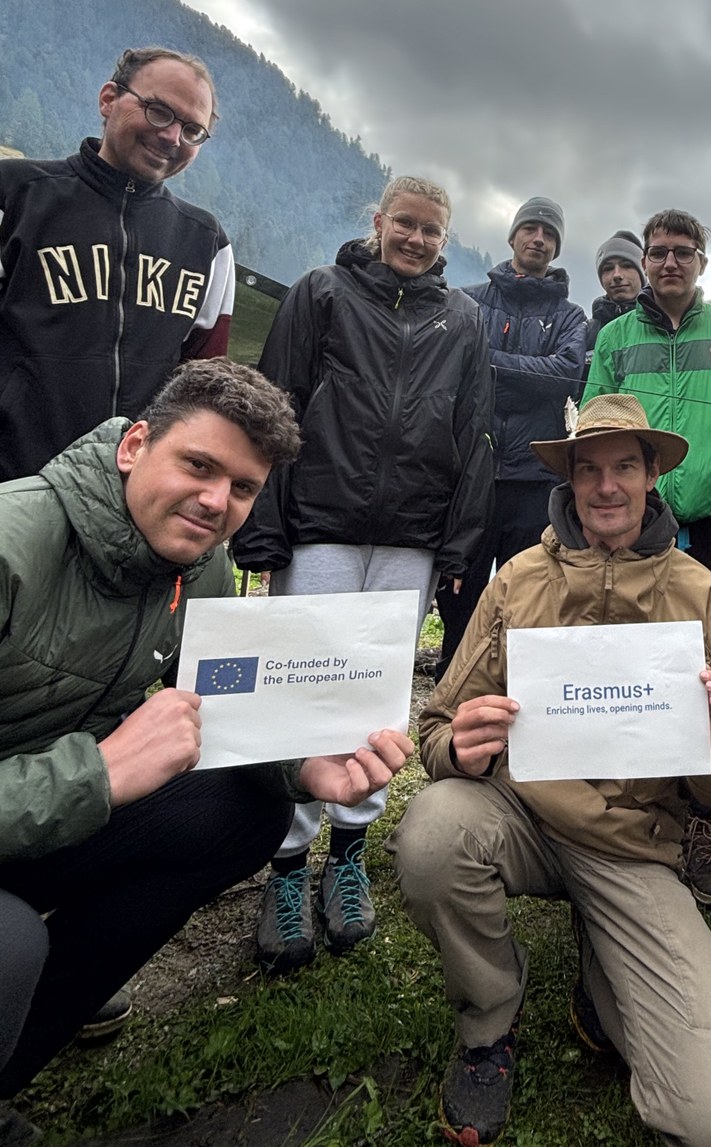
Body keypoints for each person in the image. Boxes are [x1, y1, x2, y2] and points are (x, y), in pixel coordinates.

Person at [0, 359, 412, 1104]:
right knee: (9, 943)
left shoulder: (201, 563)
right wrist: (98, 772)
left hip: (42, 816)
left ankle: (13, 1063)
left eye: (244, 487)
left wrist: (304, 768)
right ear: (133, 446)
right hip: (38, 804)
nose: (216, 501)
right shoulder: (10, 541)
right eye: (198, 464)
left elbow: (226, 705)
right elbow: (100, 771)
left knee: (244, 814)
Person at [387, 394, 711, 1147]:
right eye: (588, 469)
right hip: (520, 818)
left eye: (626, 466)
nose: (606, 487)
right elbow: (435, 728)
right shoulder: (517, 580)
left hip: (635, 847)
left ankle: (604, 970)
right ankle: (490, 1021)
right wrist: (459, 748)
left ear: (652, 474)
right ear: (568, 480)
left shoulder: (696, 591)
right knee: (431, 837)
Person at [231, 176, 493, 973]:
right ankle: (284, 864)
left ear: (446, 239)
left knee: (375, 696)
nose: (416, 239)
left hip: (413, 534)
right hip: (322, 522)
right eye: (404, 224)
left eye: (431, 230)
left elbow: (474, 430)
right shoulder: (323, 291)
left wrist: (460, 547)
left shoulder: (465, 318)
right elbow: (275, 406)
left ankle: (347, 852)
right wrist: (264, 527)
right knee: (302, 686)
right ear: (378, 223)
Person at [584, 208, 711, 909]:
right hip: (633, 528)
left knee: (705, 682)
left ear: (702, 262)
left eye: (682, 252)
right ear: (644, 259)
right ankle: (630, 819)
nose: (669, 263)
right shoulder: (613, 335)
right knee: (630, 670)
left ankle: (698, 831)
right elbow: (594, 435)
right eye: (658, 251)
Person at [0, 46, 235, 482]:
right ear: (109, 99)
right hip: (13, 488)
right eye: (159, 112)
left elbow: (200, 390)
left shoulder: (208, 243)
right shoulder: (15, 195)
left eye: (192, 130)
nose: (172, 137)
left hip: (131, 502)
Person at [434, 196, 587, 679]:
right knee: (458, 584)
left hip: (533, 475)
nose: (538, 238)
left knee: (529, 587)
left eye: (549, 233)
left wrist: (492, 362)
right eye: (531, 229)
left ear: (557, 247)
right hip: (470, 469)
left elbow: (564, 375)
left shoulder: (570, 314)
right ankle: (454, 677)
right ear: (513, 236)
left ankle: (517, 684)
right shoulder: (468, 299)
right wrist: (523, 372)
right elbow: (453, 364)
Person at [584, 229, 645, 377]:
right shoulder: (587, 332)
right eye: (608, 268)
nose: (617, 275)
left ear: (644, 271)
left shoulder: (664, 326)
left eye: (627, 265)